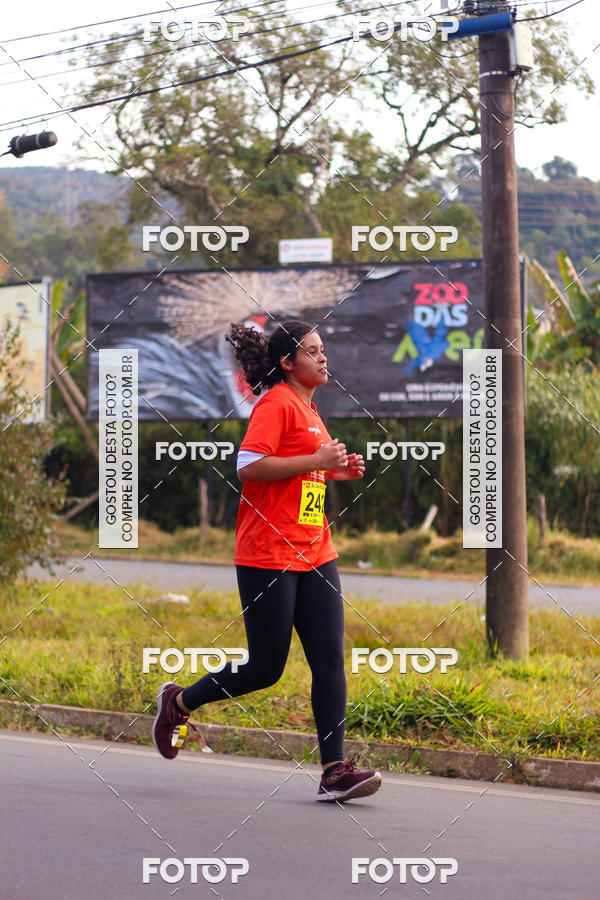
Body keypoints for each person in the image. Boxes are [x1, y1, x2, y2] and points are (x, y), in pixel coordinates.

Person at [152, 319, 382, 802]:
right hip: (268, 554)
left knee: (329, 659)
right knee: (265, 668)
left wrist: (334, 471)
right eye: (313, 351)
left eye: (324, 350)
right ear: (287, 363)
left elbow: (299, 475)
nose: (323, 358)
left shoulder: (310, 410)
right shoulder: (276, 404)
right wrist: (315, 462)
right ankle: (180, 701)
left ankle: (334, 770)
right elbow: (249, 466)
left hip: (316, 550)